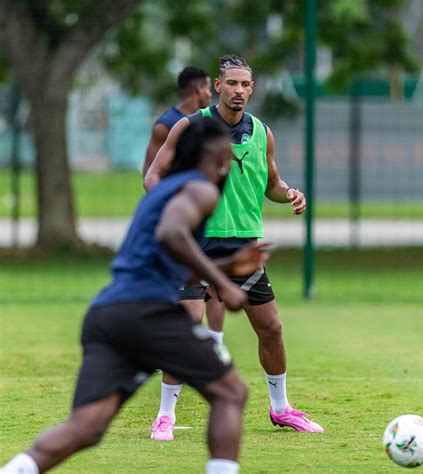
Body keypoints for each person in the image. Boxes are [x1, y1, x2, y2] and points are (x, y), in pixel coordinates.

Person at [1, 118, 271, 474]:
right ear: (222, 160)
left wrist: (227, 266)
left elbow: (163, 258)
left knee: (88, 426)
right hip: (149, 313)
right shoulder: (200, 189)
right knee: (231, 393)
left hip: (108, 313)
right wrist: (225, 284)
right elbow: (171, 234)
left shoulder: (163, 190)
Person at [144, 54, 324, 440]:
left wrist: (289, 193)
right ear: (218, 86)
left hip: (243, 249)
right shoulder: (191, 127)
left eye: (246, 84)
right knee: (188, 327)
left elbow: (271, 183)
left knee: (272, 328)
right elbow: (154, 174)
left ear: (252, 89)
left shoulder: (262, 132)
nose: (239, 90)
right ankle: (165, 415)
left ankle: (281, 410)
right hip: (196, 245)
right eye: (232, 84)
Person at [143, 67, 226, 439]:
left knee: (219, 292)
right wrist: (172, 207)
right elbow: (152, 172)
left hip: (216, 229)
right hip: (181, 228)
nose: (212, 93)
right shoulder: (170, 125)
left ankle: (216, 346)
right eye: (210, 87)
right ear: (200, 89)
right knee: (185, 316)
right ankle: (165, 413)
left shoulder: (213, 124)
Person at [143, 66, 212, 176]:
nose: (210, 94)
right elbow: (150, 173)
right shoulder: (165, 125)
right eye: (208, 88)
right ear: (198, 89)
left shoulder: (208, 120)